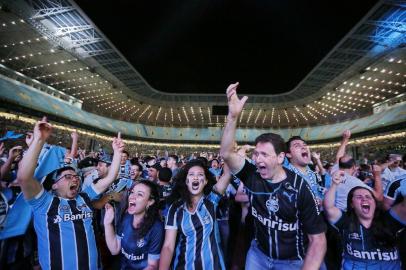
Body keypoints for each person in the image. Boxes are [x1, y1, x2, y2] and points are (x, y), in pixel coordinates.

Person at [220, 82, 326, 270]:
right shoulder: (252, 176)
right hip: (258, 255)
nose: (257, 158)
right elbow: (227, 154)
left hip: (292, 261)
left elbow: (317, 240)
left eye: (264, 154)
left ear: (280, 157)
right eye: (256, 154)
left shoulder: (300, 188)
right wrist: (233, 116)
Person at [17, 117, 125, 270]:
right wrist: (38, 140)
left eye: (75, 176)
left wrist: (118, 152)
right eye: (67, 177)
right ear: (54, 185)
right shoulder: (44, 203)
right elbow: (23, 178)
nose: (74, 179)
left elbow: (109, 178)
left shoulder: (85, 197)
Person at [324, 170, 406, 269]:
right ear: (352, 204)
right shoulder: (346, 221)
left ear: (375, 203)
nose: (364, 199)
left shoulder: (389, 220)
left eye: (368, 197)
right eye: (359, 197)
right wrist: (334, 185)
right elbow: (329, 208)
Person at [159, 160, 232, 270]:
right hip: (184, 266)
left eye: (200, 175)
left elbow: (227, 174)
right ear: (186, 181)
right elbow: (168, 246)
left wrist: (227, 153)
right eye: (191, 174)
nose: (196, 178)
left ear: (206, 181)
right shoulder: (176, 208)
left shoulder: (212, 201)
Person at [104, 180, 164, 270]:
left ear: (150, 202)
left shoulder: (156, 228)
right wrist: (107, 223)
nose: (132, 197)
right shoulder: (126, 217)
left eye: (140, 194)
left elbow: (152, 265)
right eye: (132, 192)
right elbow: (115, 249)